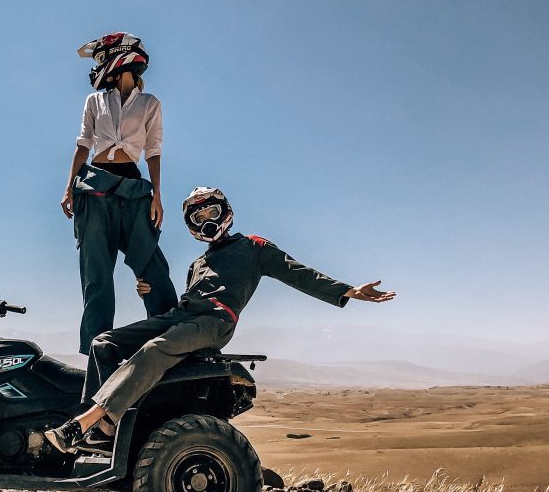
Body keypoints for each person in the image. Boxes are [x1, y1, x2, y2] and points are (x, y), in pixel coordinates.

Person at [45, 186, 396, 453]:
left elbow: (297, 272)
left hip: (215, 321)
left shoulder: (254, 248)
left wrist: (347, 290)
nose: (207, 220)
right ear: (192, 226)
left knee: (155, 349)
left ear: (225, 211)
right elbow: (178, 308)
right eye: (198, 217)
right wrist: (147, 291)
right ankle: (103, 432)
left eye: (211, 211)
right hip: (183, 317)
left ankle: (83, 423)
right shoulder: (196, 264)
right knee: (103, 343)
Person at [62, 32, 179, 355]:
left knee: (153, 268)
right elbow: (83, 145)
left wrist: (157, 196)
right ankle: (98, 354)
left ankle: (171, 345)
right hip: (94, 190)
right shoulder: (94, 101)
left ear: (121, 57)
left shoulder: (149, 103)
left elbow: (153, 151)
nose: (97, 67)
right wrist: (68, 188)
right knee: (97, 277)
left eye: (102, 59)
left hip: (133, 192)